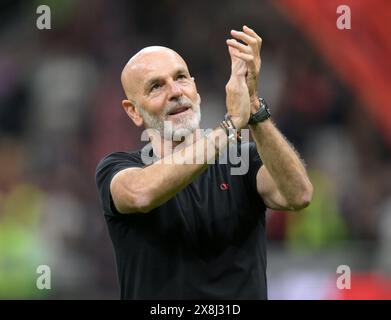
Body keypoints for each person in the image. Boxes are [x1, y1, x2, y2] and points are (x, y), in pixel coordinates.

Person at [95, 26, 313, 299]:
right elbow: (140, 194)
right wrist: (231, 126)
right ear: (133, 111)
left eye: (181, 78)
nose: (175, 91)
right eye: (156, 86)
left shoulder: (242, 161)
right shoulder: (118, 167)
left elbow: (298, 194)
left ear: (195, 89)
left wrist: (254, 105)